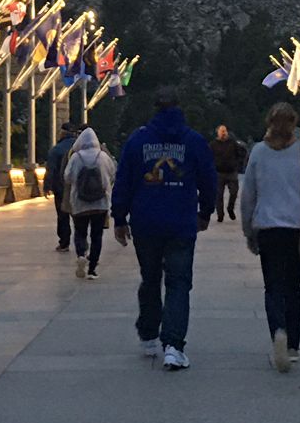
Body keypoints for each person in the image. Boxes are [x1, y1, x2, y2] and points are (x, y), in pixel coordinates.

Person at [112, 86, 217, 370]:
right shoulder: (193, 141)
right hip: (181, 222)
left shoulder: (138, 140)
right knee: (178, 283)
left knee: (150, 278)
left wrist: (119, 217)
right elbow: (209, 180)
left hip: (145, 221)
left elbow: (124, 180)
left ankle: (148, 334)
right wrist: (205, 211)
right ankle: (174, 345)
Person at [240, 101, 300, 372]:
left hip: (268, 228)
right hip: (297, 229)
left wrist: (248, 229)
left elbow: (248, 195)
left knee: (273, 287)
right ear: (294, 124)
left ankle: (277, 331)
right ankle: (292, 345)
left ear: (269, 122)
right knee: (293, 286)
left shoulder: (258, 152)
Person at [63, 124, 116, 280]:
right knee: (97, 235)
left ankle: (81, 254)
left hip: (80, 203)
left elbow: (67, 177)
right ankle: (92, 269)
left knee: (80, 232)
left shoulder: (75, 157)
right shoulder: (103, 157)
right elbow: (113, 174)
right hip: (100, 204)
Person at [43, 120, 80, 253]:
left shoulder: (56, 149)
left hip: (61, 188)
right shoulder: (79, 148)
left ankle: (64, 243)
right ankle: (81, 242)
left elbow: (51, 169)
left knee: (63, 215)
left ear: (62, 133)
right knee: (78, 216)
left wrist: (47, 186)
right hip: (78, 187)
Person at [210, 123, 244, 224]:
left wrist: (238, 164)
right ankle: (220, 215)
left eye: (224, 131)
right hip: (218, 173)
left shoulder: (233, 143)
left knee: (234, 192)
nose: (223, 133)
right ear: (218, 133)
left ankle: (230, 208)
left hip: (232, 172)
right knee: (218, 195)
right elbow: (207, 157)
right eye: (221, 131)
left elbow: (241, 153)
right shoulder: (213, 145)